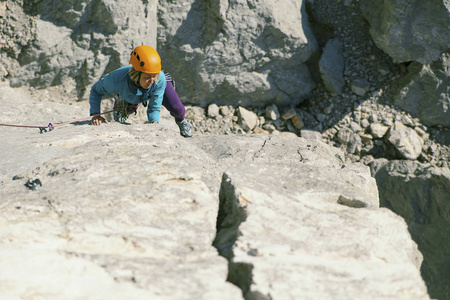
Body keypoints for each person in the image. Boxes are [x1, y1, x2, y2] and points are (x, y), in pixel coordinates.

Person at [89, 45, 192, 137]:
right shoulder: (116, 79)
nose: (151, 81)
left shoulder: (158, 79)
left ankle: (181, 121)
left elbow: (154, 107)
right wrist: (95, 114)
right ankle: (123, 102)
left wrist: (154, 122)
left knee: (177, 108)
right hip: (130, 89)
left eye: (154, 76)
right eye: (147, 77)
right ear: (136, 73)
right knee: (128, 107)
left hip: (157, 86)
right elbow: (95, 91)